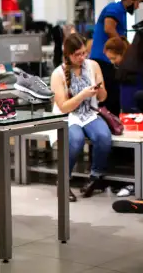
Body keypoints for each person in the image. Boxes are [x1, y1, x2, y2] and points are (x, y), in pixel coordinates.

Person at [51, 34, 112, 202]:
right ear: (68, 55)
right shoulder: (58, 74)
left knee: (104, 137)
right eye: (77, 54)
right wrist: (82, 95)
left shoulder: (93, 66)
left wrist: (99, 90)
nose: (82, 57)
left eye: (84, 53)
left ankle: (95, 177)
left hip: (90, 113)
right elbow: (64, 107)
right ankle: (63, 181)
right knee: (75, 140)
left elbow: (103, 98)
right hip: (68, 116)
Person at [90, 0, 141, 116]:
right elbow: (108, 28)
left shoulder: (121, 13)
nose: (137, 7)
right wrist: (123, 46)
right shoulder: (115, 8)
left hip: (107, 61)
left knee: (114, 96)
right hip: (102, 60)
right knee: (110, 97)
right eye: (138, 2)